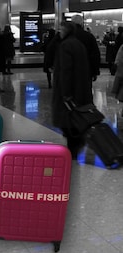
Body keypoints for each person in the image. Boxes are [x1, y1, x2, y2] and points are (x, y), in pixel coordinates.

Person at [52, 21, 93, 159]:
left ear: (66, 30)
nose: (59, 32)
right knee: (75, 119)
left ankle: (73, 149)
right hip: (80, 88)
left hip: (69, 90)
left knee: (68, 120)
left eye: (61, 30)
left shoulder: (65, 46)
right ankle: (76, 143)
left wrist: (65, 94)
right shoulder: (78, 44)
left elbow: (66, 71)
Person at [71, 14, 101, 96]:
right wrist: (95, 71)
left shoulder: (68, 37)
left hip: (71, 71)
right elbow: (95, 55)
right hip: (86, 70)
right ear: (82, 23)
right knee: (85, 92)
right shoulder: (89, 36)